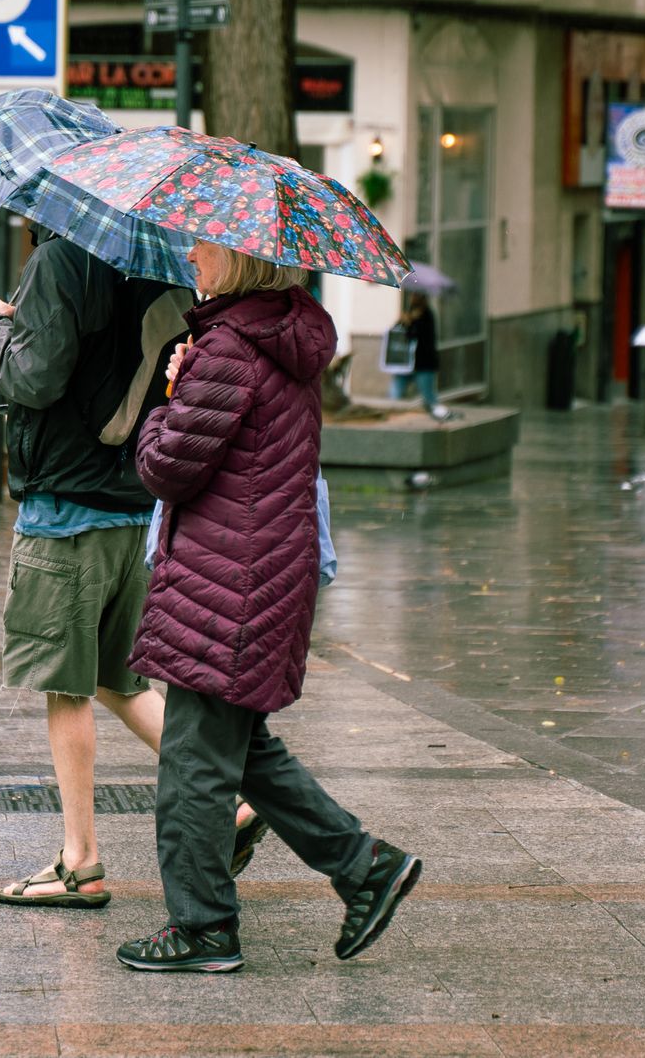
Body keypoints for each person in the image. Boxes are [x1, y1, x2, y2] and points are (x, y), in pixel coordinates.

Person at [117, 240, 422, 974]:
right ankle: (364, 867)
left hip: (229, 580)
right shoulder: (286, 335)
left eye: (204, 246)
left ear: (239, 260)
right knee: (243, 747)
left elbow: (166, 468)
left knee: (193, 767)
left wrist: (167, 399)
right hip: (262, 572)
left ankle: (203, 927)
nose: (191, 255)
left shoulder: (225, 347)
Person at [0, 229, 265, 908]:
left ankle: (80, 861)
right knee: (118, 678)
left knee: (66, 685)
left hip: (66, 508)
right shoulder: (164, 264)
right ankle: (237, 801)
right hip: (135, 504)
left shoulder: (62, 259)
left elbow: (36, 377)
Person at [381, 292, 448, 419]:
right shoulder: (411, 312)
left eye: (416, 295)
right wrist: (403, 321)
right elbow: (398, 332)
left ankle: (440, 417)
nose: (412, 298)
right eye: (412, 295)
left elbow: (417, 336)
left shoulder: (427, 315)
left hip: (424, 364)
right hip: (405, 363)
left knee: (428, 396)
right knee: (395, 393)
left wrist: (412, 322)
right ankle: (390, 415)